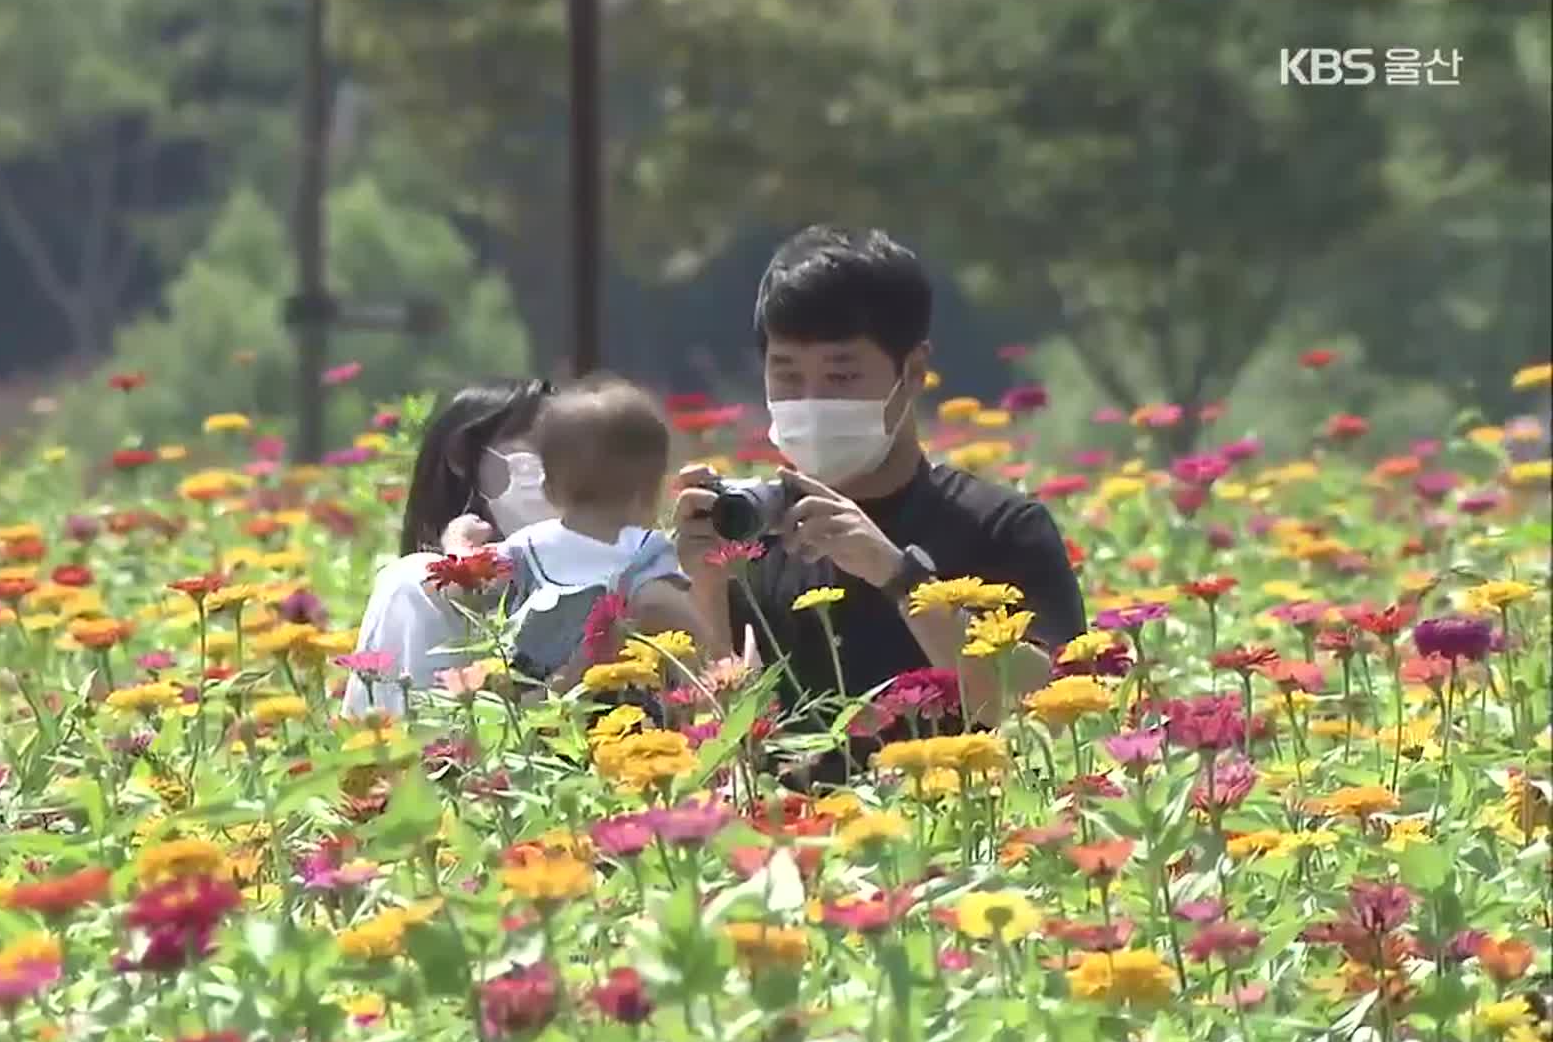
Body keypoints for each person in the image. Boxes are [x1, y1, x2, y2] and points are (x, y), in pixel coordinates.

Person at [672, 225, 1087, 788]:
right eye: (787, 375)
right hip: (785, 847)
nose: (811, 401)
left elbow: (1054, 715)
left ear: (912, 373)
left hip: (955, 843)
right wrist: (705, 585)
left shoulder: (998, 527)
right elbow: (714, 737)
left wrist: (898, 575)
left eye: (841, 376)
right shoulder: (750, 532)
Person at [496, 375, 727, 695]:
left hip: (530, 704)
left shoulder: (525, 545)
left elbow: (478, 590)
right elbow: (676, 617)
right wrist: (710, 659)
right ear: (648, 493)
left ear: (548, 489)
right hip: (620, 710)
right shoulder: (643, 551)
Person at [340, 378, 555, 719]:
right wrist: (463, 563)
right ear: (462, 456)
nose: (568, 467)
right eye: (545, 447)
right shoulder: (415, 587)